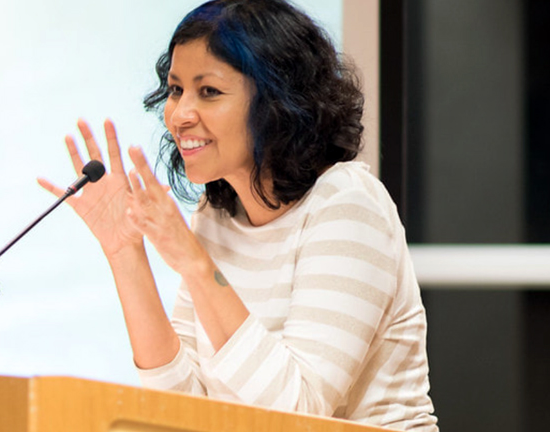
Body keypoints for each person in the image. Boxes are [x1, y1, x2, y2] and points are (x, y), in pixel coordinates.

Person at [38, 0, 438, 430]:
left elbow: (297, 413)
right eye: (175, 90)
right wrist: (125, 254)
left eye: (208, 91)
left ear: (276, 102)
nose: (179, 115)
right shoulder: (217, 212)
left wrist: (194, 263)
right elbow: (181, 408)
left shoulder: (347, 205)